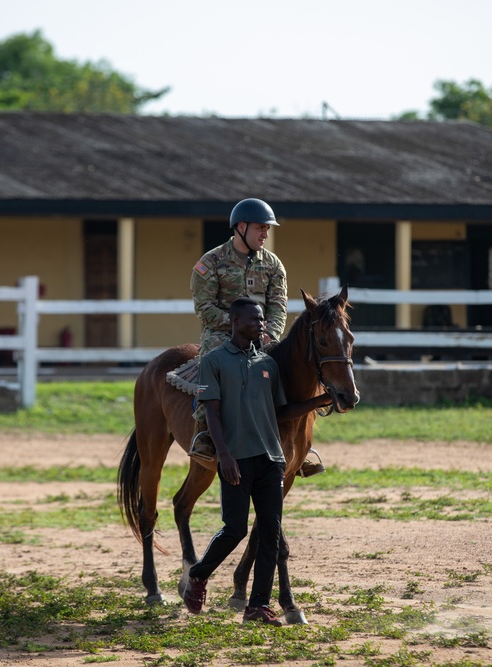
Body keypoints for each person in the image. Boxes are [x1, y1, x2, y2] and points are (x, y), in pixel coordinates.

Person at [179, 298, 333, 625]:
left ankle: (257, 605)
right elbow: (212, 413)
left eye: (263, 319)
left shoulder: (269, 364)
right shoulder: (215, 361)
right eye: (254, 319)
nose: (261, 324)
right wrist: (222, 454)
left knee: (270, 532)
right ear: (234, 321)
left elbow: (282, 412)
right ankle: (199, 575)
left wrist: (320, 399)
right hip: (236, 458)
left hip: (272, 461)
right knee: (234, 530)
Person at [188, 197, 325, 477]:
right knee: (211, 362)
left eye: (268, 229)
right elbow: (205, 308)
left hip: (263, 334)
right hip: (221, 334)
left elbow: (278, 307)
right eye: (260, 228)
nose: (265, 233)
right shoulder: (210, 262)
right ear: (241, 227)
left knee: (285, 367)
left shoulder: (274, 265)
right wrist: (239, 328)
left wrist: (268, 334)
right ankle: (204, 434)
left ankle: (300, 445)